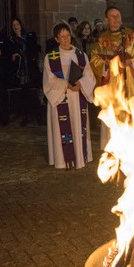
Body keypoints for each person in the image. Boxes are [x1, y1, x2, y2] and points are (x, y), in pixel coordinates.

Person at [90, 7, 134, 149]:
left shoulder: (132, 36)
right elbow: (94, 60)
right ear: (106, 19)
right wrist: (107, 63)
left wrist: (131, 60)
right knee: (113, 110)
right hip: (112, 82)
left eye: (118, 15)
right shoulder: (101, 39)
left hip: (130, 81)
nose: (116, 19)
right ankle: (113, 145)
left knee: (132, 109)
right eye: (112, 16)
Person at [43, 23, 96, 169]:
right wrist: (66, 84)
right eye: (62, 36)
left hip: (77, 96)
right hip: (61, 96)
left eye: (67, 35)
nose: (66, 39)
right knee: (63, 129)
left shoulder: (80, 55)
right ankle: (62, 160)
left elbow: (89, 76)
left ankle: (79, 157)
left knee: (78, 126)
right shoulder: (51, 57)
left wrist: (81, 84)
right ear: (56, 39)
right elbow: (49, 80)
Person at [7, 17, 42, 125]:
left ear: (21, 25)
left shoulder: (29, 36)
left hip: (30, 68)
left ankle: (38, 116)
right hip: (20, 70)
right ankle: (25, 116)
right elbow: (10, 53)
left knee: (32, 92)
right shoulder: (11, 39)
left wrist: (21, 54)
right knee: (22, 94)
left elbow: (34, 50)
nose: (16, 27)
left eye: (17, 24)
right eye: (13, 25)